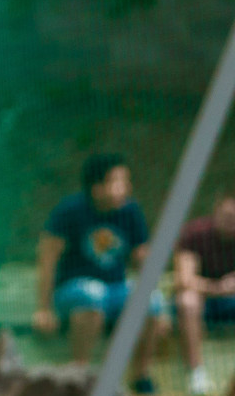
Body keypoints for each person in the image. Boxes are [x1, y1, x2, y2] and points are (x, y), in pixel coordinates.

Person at [33, 152, 164, 383]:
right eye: (118, 182)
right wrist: (44, 309)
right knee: (92, 294)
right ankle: (80, 373)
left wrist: (158, 311)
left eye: (126, 181)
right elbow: (47, 260)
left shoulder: (131, 211)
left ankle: (141, 376)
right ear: (97, 188)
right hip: (73, 291)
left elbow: (143, 260)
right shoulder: (70, 211)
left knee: (151, 300)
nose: (126, 187)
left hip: (115, 289)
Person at [172, 192, 235, 396]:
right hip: (205, 302)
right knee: (187, 301)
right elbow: (183, 280)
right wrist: (219, 288)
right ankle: (196, 375)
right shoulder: (194, 234)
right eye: (227, 216)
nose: (232, 222)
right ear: (216, 210)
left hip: (234, 302)